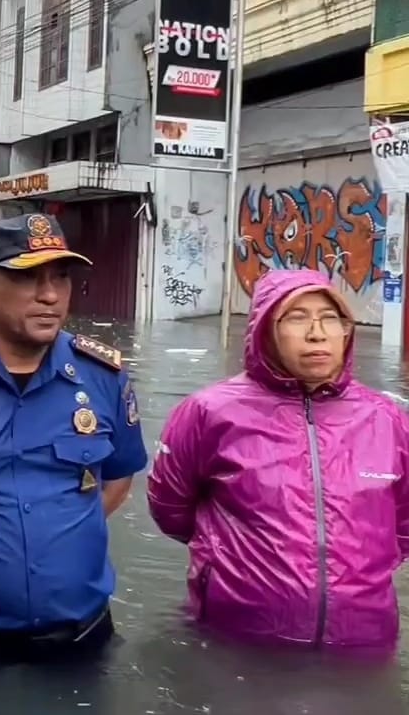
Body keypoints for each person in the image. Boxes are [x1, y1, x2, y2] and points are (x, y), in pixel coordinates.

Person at [0, 213, 148, 662]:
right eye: (27, 278)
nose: (50, 295)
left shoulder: (103, 378)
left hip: (81, 637)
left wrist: (56, 540)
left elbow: (117, 479)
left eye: (61, 277)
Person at [148, 268, 409, 650]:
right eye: (297, 318)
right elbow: (170, 508)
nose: (317, 333)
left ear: (347, 331)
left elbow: (401, 527)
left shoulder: (387, 420)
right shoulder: (210, 412)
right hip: (237, 634)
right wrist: (225, 562)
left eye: (330, 318)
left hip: (362, 638)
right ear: (265, 330)